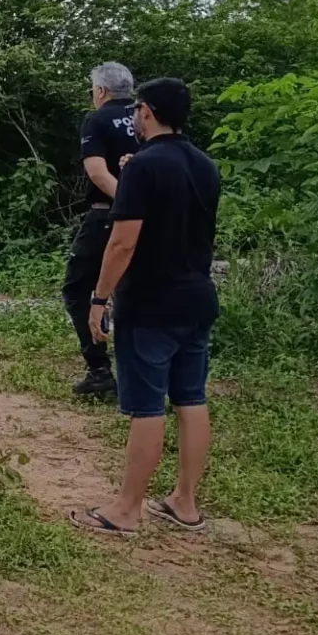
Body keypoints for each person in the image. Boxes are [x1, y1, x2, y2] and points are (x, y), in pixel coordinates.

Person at [71, 77, 220, 537]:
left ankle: (126, 509)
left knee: (147, 406)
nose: (133, 116)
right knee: (191, 398)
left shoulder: (142, 167)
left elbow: (121, 243)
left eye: (137, 110)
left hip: (150, 300)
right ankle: (185, 502)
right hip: (196, 295)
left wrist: (99, 298)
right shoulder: (205, 165)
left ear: (149, 112)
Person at [63, 62, 141, 400]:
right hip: (154, 218)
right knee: (134, 288)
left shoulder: (97, 119)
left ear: (100, 91)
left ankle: (99, 371)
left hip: (108, 214)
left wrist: (128, 202)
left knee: (79, 288)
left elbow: (97, 172)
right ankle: (140, 370)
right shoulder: (146, 116)